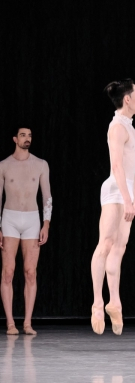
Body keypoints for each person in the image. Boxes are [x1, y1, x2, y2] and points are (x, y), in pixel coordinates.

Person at [90, 79, 135, 335]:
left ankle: (115, 300)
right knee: (106, 244)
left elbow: (131, 169)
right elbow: (117, 167)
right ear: (127, 99)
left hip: (125, 191)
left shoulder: (129, 128)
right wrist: (126, 198)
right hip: (114, 191)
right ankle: (97, 302)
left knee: (120, 247)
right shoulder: (117, 127)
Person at [0, 127, 52, 335]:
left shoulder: (40, 164)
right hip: (10, 218)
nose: (27, 138)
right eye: (23, 135)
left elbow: (47, 195)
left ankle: (28, 323)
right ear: (15, 139)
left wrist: (46, 224)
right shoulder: (4, 165)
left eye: (30, 135)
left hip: (32, 218)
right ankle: (11, 323)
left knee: (31, 272)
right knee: (8, 272)